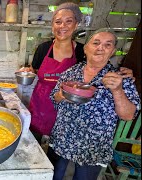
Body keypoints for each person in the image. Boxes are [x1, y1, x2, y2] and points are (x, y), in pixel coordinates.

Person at [19, 2, 134, 145]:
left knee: (58, 147)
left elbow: (97, 68)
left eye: (69, 21)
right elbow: (35, 69)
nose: (63, 26)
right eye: (58, 22)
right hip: (41, 104)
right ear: (53, 25)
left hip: (68, 108)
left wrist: (122, 73)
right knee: (33, 142)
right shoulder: (43, 48)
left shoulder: (83, 50)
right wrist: (28, 71)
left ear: (76, 24)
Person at [49, 28, 141, 180]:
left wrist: (117, 90)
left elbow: (128, 115)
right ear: (86, 48)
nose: (100, 48)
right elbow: (54, 98)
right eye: (96, 43)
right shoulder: (70, 72)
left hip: (93, 145)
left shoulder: (121, 78)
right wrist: (60, 95)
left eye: (107, 45)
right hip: (63, 138)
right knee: (54, 176)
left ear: (112, 51)